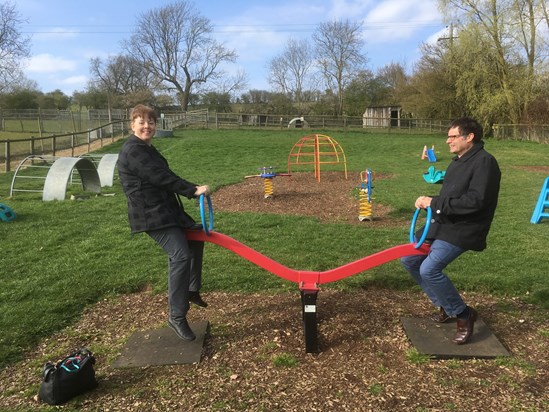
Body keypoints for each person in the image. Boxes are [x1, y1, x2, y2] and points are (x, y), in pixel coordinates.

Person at [401, 117, 501, 345]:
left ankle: (464, 314)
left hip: (464, 228)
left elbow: (475, 202)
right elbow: (450, 197)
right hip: (442, 222)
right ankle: (446, 305)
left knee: (429, 269)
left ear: (470, 137)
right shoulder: (458, 161)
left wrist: (434, 202)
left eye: (453, 136)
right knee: (409, 260)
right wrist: (430, 202)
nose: (447, 141)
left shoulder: (485, 163)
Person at [117, 104, 210, 341]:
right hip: (150, 214)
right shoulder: (133, 151)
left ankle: (191, 289)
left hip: (165, 211)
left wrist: (193, 188)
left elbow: (167, 176)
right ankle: (176, 316)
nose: (147, 126)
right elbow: (159, 178)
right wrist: (192, 190)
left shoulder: (147, 149)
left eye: (151, 122)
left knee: (196, 238)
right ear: (132, 125)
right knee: (180, 255)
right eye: (142, 121)